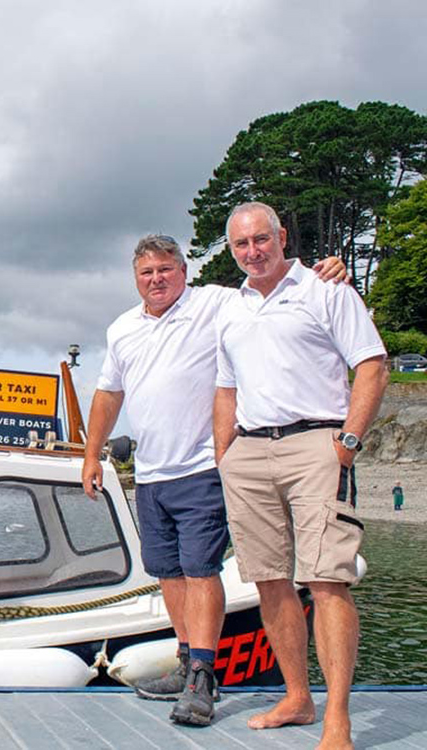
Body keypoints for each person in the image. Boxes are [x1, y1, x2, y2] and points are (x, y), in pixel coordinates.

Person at [82, 234, 346, 727]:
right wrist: (91, 455)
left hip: (204, 466)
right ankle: (187, 664)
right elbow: (108, 393)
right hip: (151, 472)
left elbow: (270, 281)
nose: (157, 279)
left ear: (184, 271)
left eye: (165, 269)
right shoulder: (122, 329)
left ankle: (203, 678)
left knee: (201, 569)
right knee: (168, 571)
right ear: (135, 279)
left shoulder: (215, 303)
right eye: (146, 273)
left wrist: (325, 270)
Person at [214, 202, 389, 749]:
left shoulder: (326, 289)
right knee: (268, 578)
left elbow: (372, 364)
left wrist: (347, 443)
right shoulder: (231, 309)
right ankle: (296, 697)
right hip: (249, 451)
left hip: (319, 442)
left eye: (261, 240)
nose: (253, 252)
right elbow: (226, 389)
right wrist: (225, 456)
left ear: (281, 236)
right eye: (241, 245)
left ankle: (338, 718)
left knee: (326, 579)